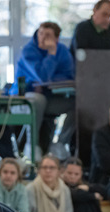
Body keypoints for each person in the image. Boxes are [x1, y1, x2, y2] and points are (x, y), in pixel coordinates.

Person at [15, 22, 76, 156]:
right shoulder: (29, 50)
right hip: (24, 99)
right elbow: (43, 76)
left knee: (78, 104)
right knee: (38, 99)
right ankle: (32, 146)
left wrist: (51, 80)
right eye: (40, 33)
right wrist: (51, 54)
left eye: (47, 35)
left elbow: (69, 75)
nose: (42, 38)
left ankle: (59, 144)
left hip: (50, 98)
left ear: (57, 39)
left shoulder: (63, 51)